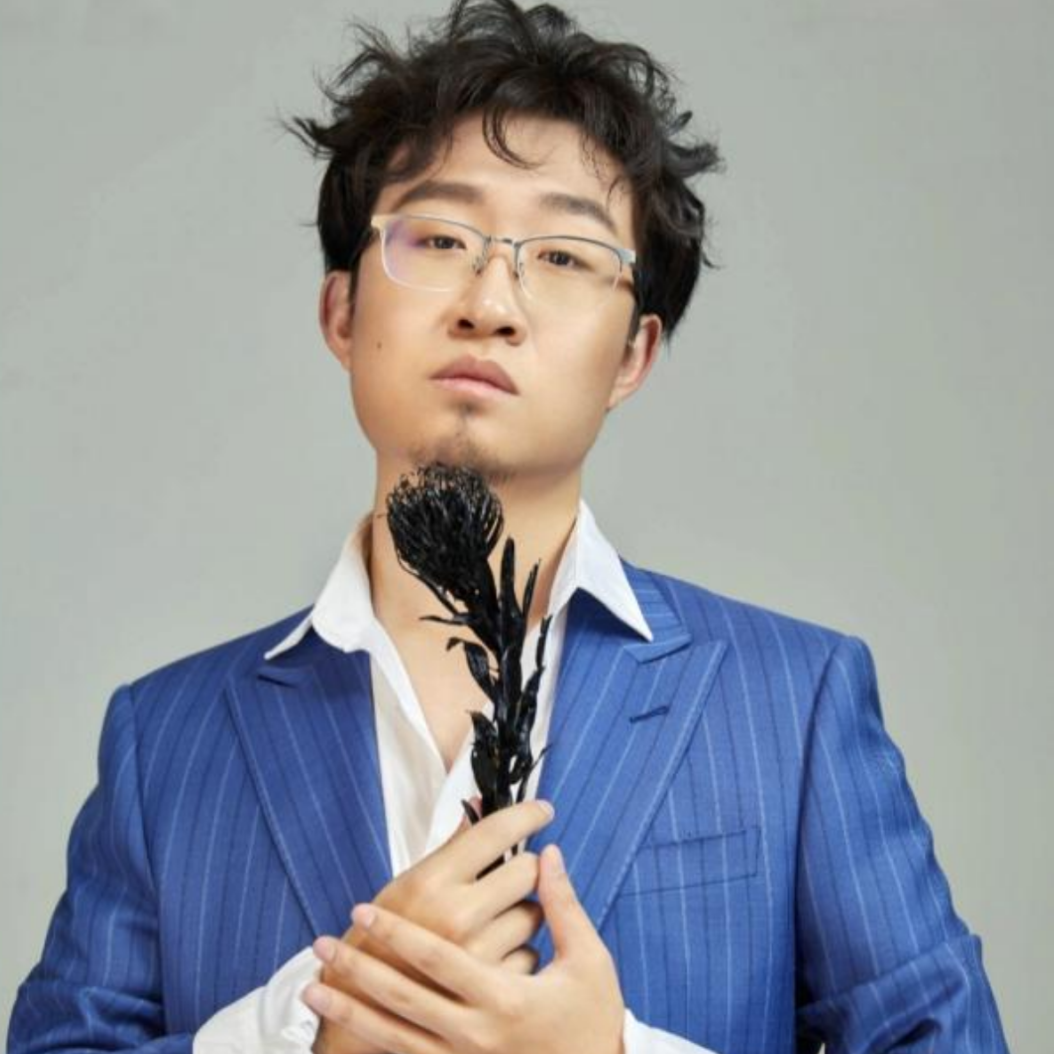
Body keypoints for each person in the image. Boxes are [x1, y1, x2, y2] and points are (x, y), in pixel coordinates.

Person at [8, 1, 1010, 1053]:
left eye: (565, 256)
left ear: (632, 356)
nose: (491, 301)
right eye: (440, 238)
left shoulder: (790, 705)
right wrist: (310, 1030)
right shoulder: (165, 739)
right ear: (342, 313)